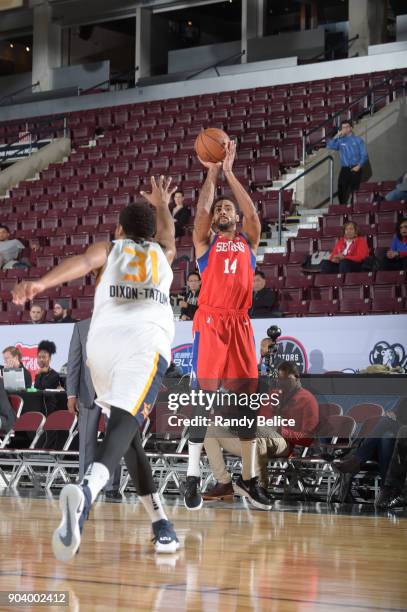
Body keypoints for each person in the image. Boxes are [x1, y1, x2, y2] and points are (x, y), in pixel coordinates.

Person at [11, 176, 180, 560]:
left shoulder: (110, 248)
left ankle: (160, 523)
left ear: (120, 229)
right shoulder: (162, 253)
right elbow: (168, 236)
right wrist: (163, 203)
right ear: (150, 234)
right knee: (127, 424)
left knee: (128, 433)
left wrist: (40, 284)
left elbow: (82, 262)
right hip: (143, 344)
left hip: (100, 351)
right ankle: (87, 492)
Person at [184, 140, 272, 512]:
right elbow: (202, 208)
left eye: (227, 209)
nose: (222, 210)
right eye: (219, 208)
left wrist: (232, 175)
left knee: (247, 408)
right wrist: (212, 173)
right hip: (210, 322)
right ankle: (191, 478)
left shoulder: (249, 242)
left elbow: (252, 215)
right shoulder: (205, 245)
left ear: (234, 218)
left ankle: (249, 481)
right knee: (202, 403)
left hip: (239, 326)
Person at [66, 318, 121, 499]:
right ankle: (86, 483)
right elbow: (74, 363)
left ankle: (111, 487)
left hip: (114, 393)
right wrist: (71, 395)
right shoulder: (81, 327)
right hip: (88, 392)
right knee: (86, 442)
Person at [327, 120, 369, 204]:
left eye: (346, 127)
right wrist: (337, 136)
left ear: (351, 128)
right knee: (341, 188)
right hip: (345, 169)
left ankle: (353, 209)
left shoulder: (358, 140)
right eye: (343, 128)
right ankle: (342, 207)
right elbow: (329, 145)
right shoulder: (340, 141)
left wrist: (359, 166)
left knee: (355, 190)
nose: (344, 129)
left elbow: (364, 155)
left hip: (355, 168)